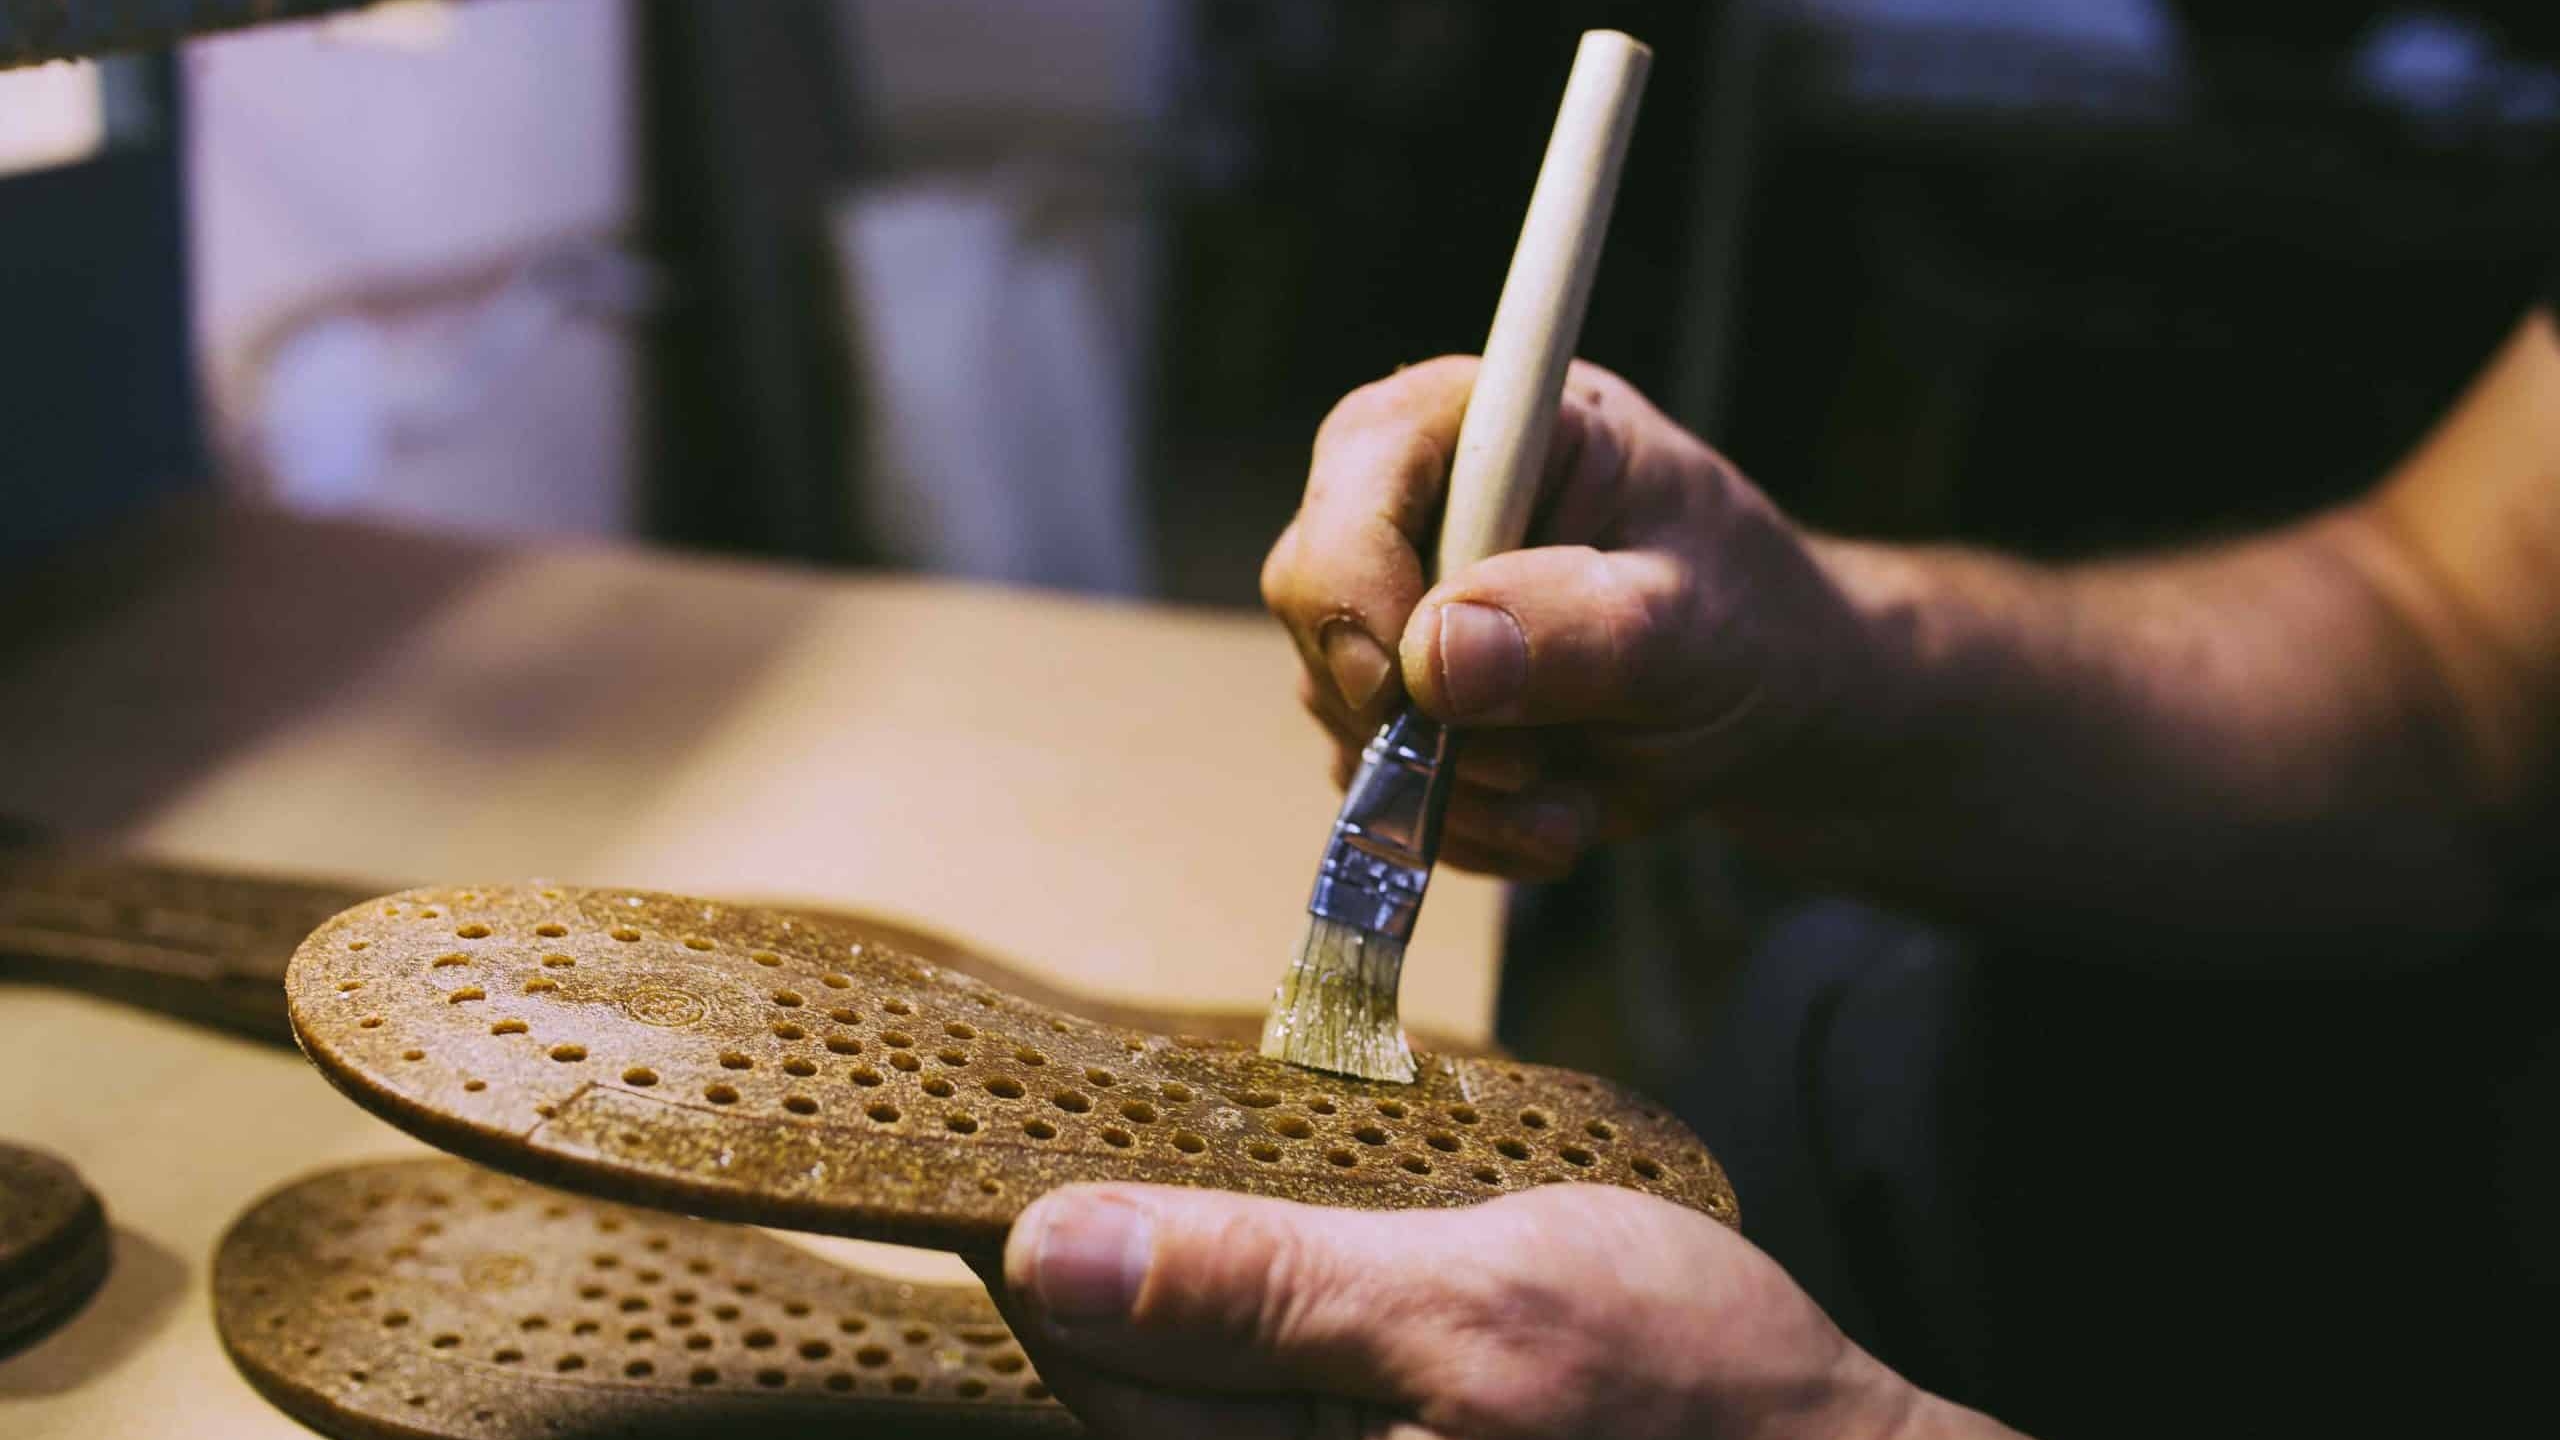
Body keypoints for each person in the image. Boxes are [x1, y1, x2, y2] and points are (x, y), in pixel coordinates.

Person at [971, 283, 2560, 1438]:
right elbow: (2456, 650)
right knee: (1846, 1013)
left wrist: (1859, 1436)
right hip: (2053, 1147)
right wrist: (1817, 659)